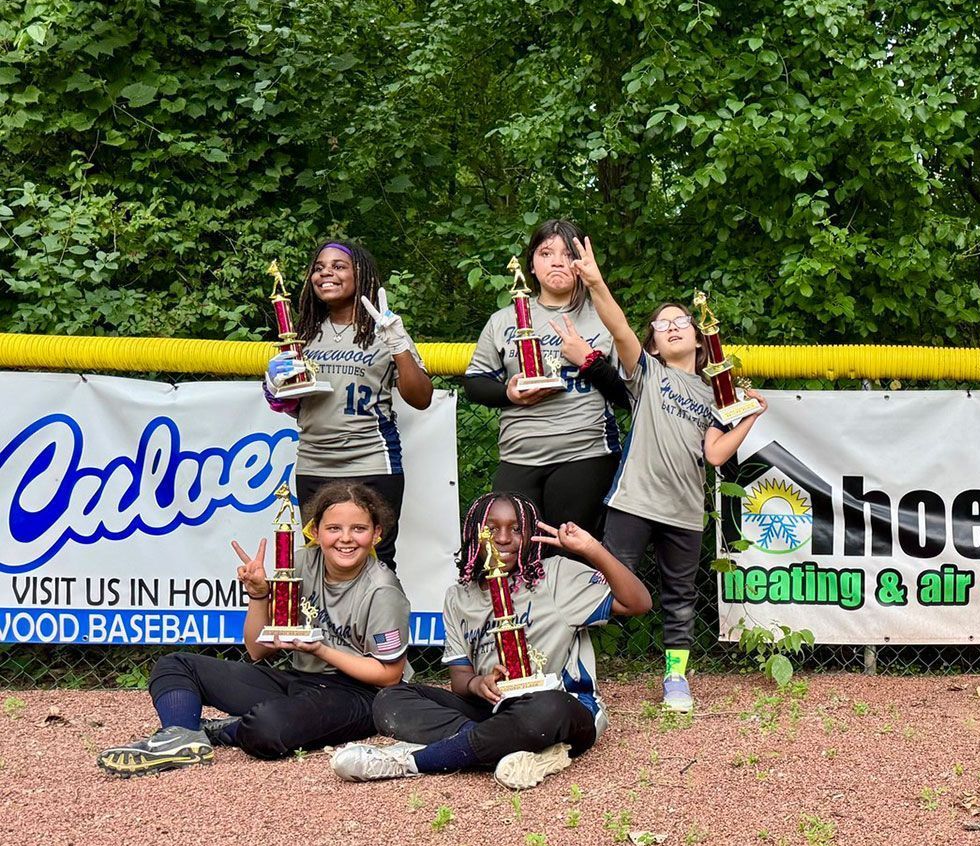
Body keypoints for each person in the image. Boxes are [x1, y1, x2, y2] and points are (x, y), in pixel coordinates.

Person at [331, 493, 650, 790]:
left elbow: (638, 603)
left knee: (546, 709)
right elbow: (460, 678)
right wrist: (477, 683)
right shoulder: (459, 597)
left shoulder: (554, 576)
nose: (503, 538)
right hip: (493, 709)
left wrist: (591, 548)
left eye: (516, 529)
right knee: (391, 699)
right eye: (491, 529)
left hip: (560, 705)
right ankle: (503, 746)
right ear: (474, 535)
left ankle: (413, 761)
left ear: (528, 536)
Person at [97, 482, 411, 775]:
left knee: (266, 729)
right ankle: (180, 736)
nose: (346, 538)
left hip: (358, 694)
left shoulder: (382, 589)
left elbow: (388, 675)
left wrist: (321, 650)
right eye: (334, 528)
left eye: (359, 529)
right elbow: (257, 649)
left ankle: (216, 730)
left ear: (376, 533)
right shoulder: (302, 563)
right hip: (301, 680)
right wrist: (259, 594)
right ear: (315, 531)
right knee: (175, 664)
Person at [592, 297, 766, 714]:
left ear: (698, 336)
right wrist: (595, 280)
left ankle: (675, 677)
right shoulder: (649, 373)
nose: (671, 327)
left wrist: (750, 416)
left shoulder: (717, 395)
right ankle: (573, 667)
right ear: (652, 343)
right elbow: (618, 328)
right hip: (634, 501)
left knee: (680, 598)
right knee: (605, 586)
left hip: (685, 511)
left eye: (681, 321)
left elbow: (716, 455)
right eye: (660, 324)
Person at [266, 240, 432, 567]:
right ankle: (326, 621)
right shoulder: (302, 332)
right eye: (319, 267)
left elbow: (421, 397)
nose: (326, 272)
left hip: (371, 460)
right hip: (315, 461)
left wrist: (397, 343)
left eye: (339, 266)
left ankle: (383, 620)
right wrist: (273, 386)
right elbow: (293, 404)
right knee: (319, 561)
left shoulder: (383, 328)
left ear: (361, 275)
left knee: (376, 560)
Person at [464, 220, 625, 532]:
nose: (557, 261)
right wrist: (507, 394)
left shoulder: (604, 318)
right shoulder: (503, 320)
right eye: (546, 253)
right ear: (532, 266)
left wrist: (590, 362)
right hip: (519, 454)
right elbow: (474, 384)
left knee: (570, 553)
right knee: (514, 551)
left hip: (585, 451)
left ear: (582, 264)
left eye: (568, 254)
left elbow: (630, 395)